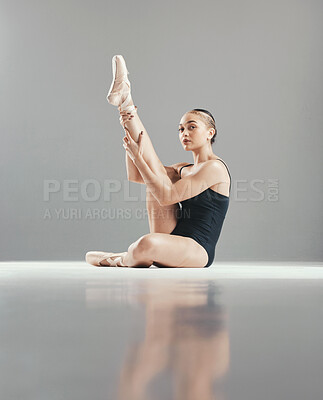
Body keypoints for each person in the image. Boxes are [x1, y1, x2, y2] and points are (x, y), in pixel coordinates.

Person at [85, 55, 231, 268]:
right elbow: (137, 176)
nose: (184, 133)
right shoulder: (183, 169)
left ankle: (125, 258)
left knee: (144, 242)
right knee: (156, 178)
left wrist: (137, 156)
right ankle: (126, 104)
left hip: (197, 249)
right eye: (181, 129)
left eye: (192, 127)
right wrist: (129, 134)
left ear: (210, 133)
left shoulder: (215, 168)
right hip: (171, 236)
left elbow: (166, 196)